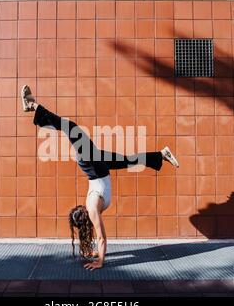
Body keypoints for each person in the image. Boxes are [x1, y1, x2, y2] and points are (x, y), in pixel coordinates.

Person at [21, 85, 179, 270]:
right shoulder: (92, 208)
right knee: (72, 128)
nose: (80, 206)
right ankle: (33, 106)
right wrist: (100, 262)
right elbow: (102, 238)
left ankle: (161, 155)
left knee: (129, 161)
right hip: (93, 168)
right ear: (82, 213)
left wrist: (93, 251)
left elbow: (97, 237)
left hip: (100, 169)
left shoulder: (93, 211)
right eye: (78, 210)